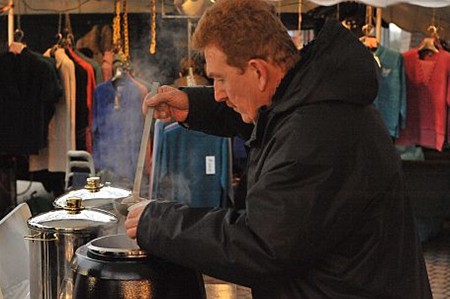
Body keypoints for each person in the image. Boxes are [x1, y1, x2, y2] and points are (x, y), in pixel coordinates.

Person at [125, 0, 432, 298]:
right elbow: (268, 118)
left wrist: (157, 222)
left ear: (258, 72)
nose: (218, 93)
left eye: (220, 79)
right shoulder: (311, 97)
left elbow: (261, 246)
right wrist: (192, 105)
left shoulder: (317, 133)